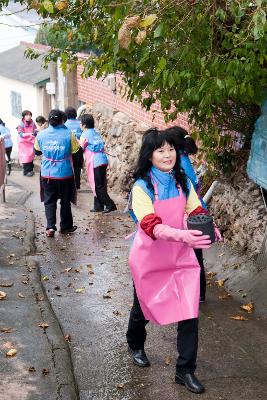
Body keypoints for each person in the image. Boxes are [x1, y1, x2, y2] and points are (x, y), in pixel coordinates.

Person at [126, 128, 221, 394]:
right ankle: (135, 344)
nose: (168, 155)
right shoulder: (142, 187)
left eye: (171, 150)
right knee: (142, 309)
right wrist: (185, 236)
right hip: (149, 259)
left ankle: (185, 370)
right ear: (149, 155)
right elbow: (151, 225)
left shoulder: (182, 181)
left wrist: (209, 227)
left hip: (181, 258)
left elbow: (196, 209)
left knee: (190, 313)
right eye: (160, 150)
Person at [166, 126, 218, 303]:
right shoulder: (184, 159)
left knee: (191, 256)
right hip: (195, 212)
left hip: (188, 213)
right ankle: (199, 293)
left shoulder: (178, 164)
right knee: (195, 256)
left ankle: (195, 293)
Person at [34, 109, 80, 237]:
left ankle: (50, 227)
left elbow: (37, 152)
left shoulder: (41, 135)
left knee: (49, 200)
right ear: (61, 120)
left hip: (47, 173)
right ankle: (66, 226)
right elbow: (76, 152)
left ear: (49, 120)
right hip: (65, 173)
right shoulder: (69, 134)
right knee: (65, 200)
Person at [79, 113, 117, 213]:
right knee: (100, 183)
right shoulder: (96, 132)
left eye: (80, 124)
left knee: (97, 185)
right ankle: (98, 206)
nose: (80, 126)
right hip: (103, 159)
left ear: (84, 125)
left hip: (95, 161)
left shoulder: (84, 134)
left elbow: (81, 147)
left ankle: (110, 204)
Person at [65, 107, 83, 189]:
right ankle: (77, 184)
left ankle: (70, 184)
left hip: (68, 149)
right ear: (75, 114)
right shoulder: (80, 123)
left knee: (69, 166)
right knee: (77, 167)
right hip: (79, 149)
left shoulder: (64, 125)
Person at [17, 110, 38, 176]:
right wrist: (29, 134)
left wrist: (36, 131)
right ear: (23, 116)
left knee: (31, 156)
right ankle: (26, 171)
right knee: (26, 157)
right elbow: (21, 134)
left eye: (29, 115)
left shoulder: (32, 123)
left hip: (31, 142)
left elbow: (35, 129)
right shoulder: (21, 124)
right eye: (27, 115)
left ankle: (31, 170)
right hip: (24, 143)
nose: (28, 117)